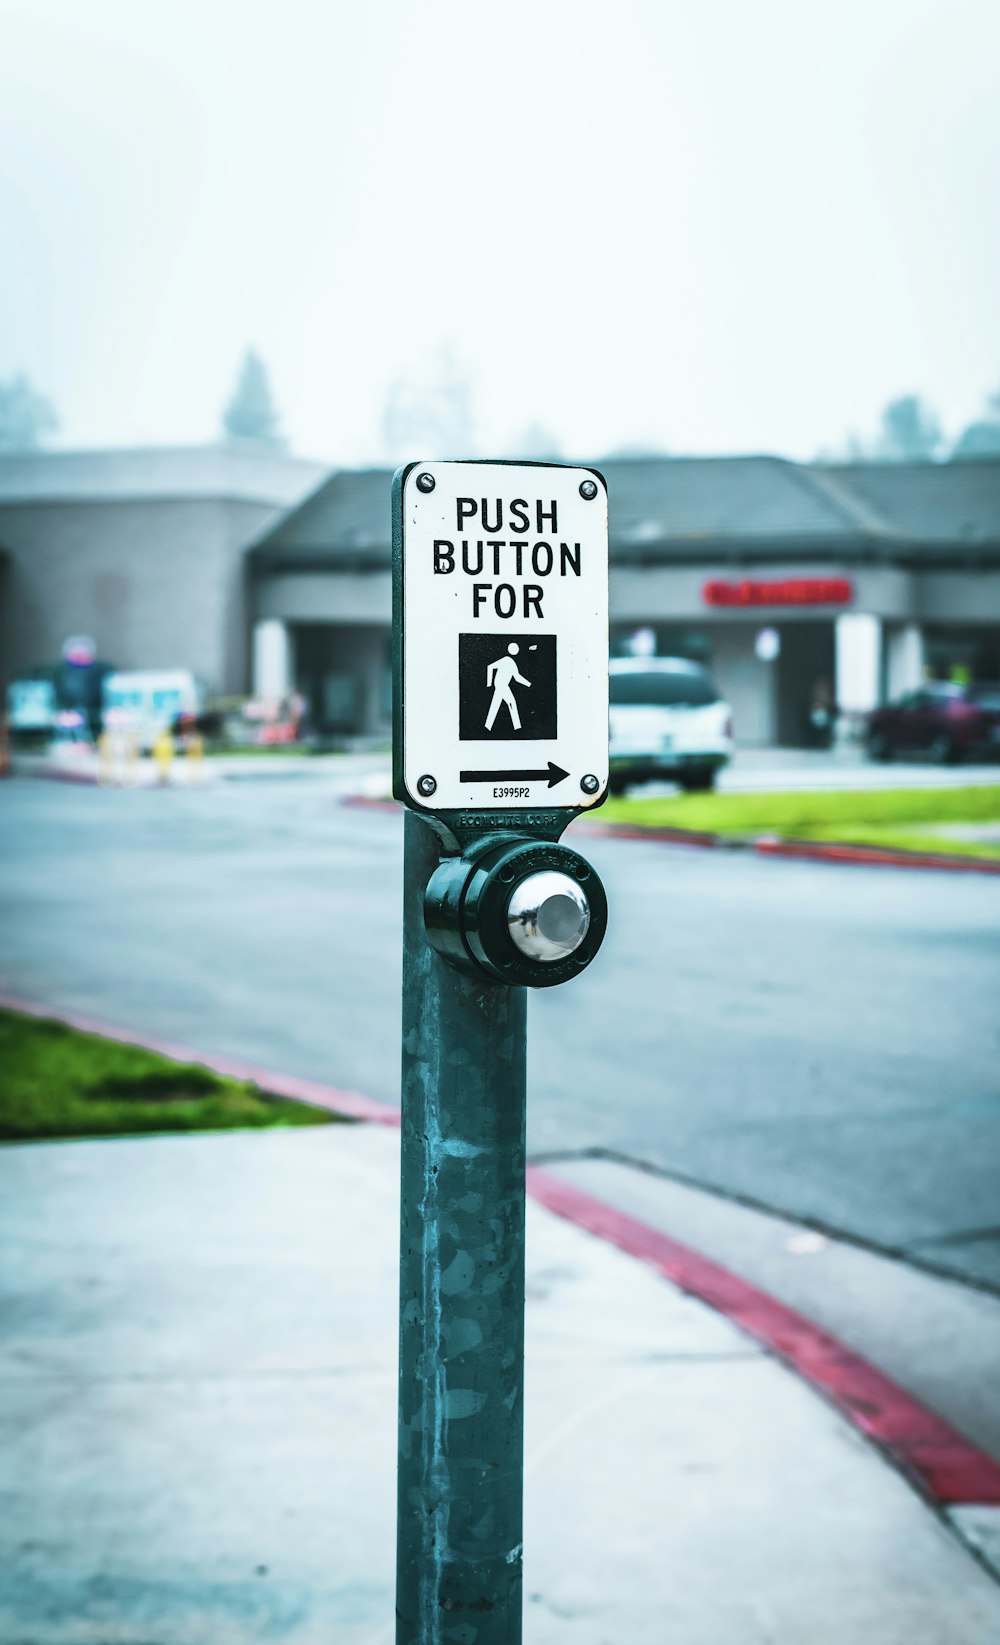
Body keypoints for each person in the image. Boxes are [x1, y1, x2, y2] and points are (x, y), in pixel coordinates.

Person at [485, 644, 531, 732]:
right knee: (511, 703)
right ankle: (517, 727)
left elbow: (517, 677)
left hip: (501, 686)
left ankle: (487, 726)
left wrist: (528, 684)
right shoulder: (506, 660)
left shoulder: (512, 663)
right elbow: (490, 667)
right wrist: (489, 684)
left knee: (496, 705)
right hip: (501, 685)